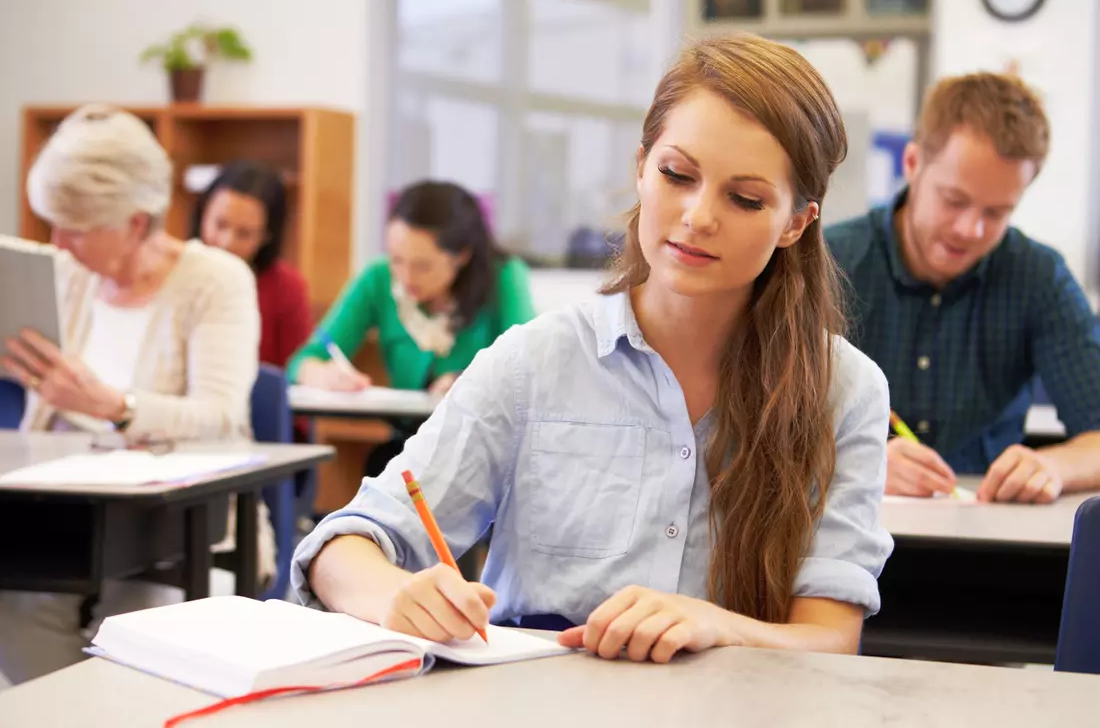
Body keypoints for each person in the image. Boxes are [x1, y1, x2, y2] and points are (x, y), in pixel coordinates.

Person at [291, 35, 893, 663]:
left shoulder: (842, 389)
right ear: (641, 166)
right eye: (676, 175)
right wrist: (394, 595)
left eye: (745, 199)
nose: (697, 216)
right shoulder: (534, 361)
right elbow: (342, 546)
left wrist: (716, 624)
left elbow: (830, 638)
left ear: (796, 223)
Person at [0, 104, 274, 685]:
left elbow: (222, 413)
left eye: (74, 227)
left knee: (139, 630)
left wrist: (114, 407)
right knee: (14, 606)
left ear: (133, 220)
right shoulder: (66, 272)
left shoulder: (216, 280)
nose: (58, 241)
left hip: (181, 529)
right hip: (64, 522)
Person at [826, 72, 1100, 505]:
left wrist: (1052, 465)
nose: (970, 230)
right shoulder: (828, 263)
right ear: (912, 164)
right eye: (954, 200)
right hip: (848, 527)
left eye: (996, 212)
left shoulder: (1039, 277)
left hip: (986, 539)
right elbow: (752, 423)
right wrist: (852, 458)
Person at [286, 179, 537, 474]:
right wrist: (319, 373)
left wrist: (466, 381)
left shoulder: (504, 277)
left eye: (423, 266)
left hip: (482, 449)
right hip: (406, 448)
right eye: (397, 260)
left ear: (462, 256)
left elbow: (527, 366)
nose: (405, 277)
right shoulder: (378, 278)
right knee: (384, 470)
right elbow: (303, 360)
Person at [192, 160, 312, 370]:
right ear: (203, 215)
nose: (227, 243)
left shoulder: (286, 287)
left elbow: (297, 366)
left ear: (266, 236)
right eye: (220, 224)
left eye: (244, 234)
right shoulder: (173, 270)